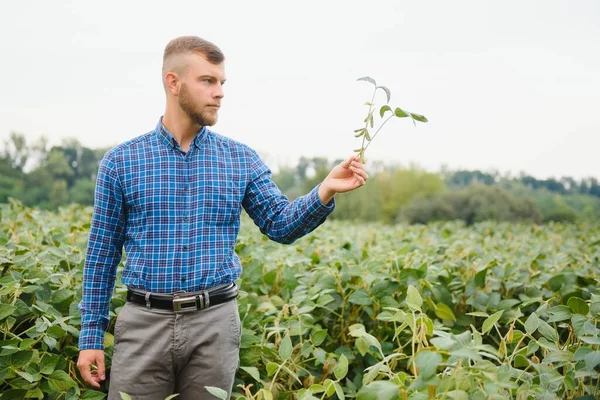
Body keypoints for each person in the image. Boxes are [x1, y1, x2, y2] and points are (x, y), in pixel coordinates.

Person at [76, 35, 369, 400]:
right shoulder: (121, 162)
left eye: (222, 83)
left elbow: (280, 223)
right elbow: (101, 255)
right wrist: (90, 336)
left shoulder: (239, 159)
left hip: (214, 324)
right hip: (143, 323)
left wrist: (324, 190)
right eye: (208, 81)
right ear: (173, 82)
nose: (219, 93)